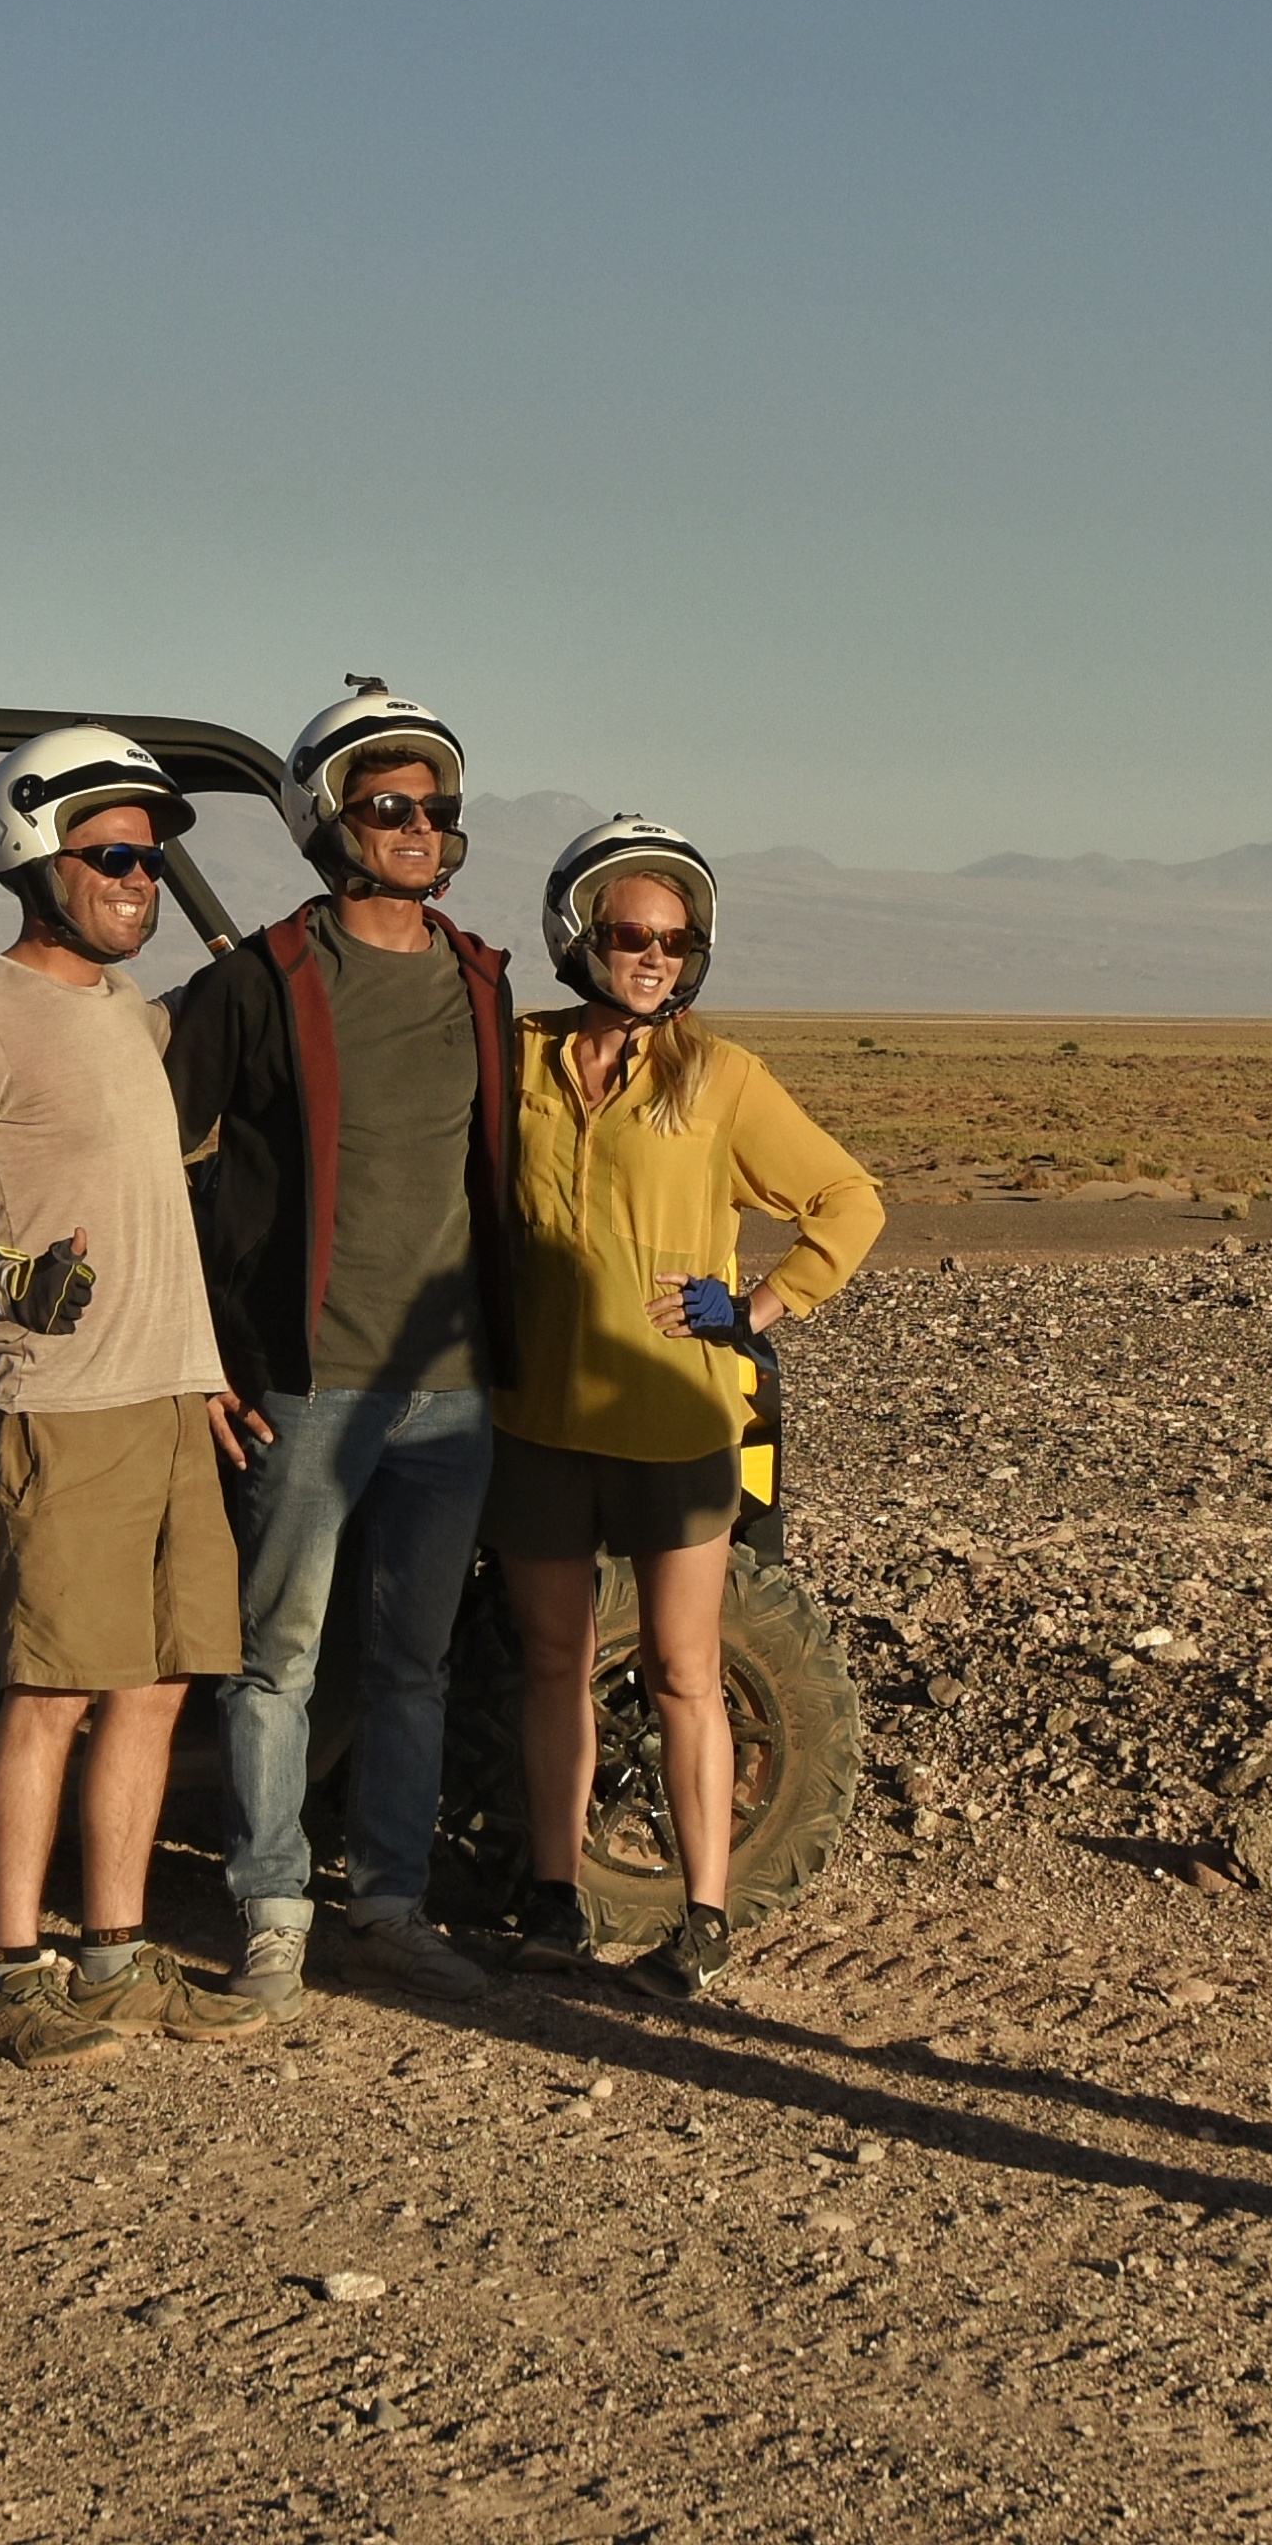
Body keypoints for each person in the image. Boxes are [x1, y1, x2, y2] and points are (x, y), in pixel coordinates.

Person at [0, 725, 272, 2075]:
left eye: (149, 862)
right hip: (55, 1404)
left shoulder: (135, 1019)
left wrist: (205, 1367)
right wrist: (3, 1279)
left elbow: (158, 1213)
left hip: (166, 1398)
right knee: (49, 1690)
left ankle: (115, 1955)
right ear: (35, 855)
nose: (138, 880)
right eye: (112, 855)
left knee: (156, 1686)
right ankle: (7, 1975)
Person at [170, 679, 523, 2013]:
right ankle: (269, 1911)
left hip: (450, 1394)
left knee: (411, 1664)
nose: (421, 825)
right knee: (277, 1659)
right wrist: (198, 1353)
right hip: (303, 1383)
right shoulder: (257, 984)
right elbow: (154, 1163)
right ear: (328, 819)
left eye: (437, 806)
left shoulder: (482, 982)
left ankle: (386, 1901)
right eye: (391, 805)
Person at [488, 818, 881, 2003]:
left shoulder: (717, 1078)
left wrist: (759, 1306)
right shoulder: (511, 1059)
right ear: (578, 934)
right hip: (536, 1419)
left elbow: (847, 1199)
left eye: (674, 937)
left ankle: (701, 1917)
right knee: (553, 1657)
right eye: (627, 933)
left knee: (681, 1667)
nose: (652, 954)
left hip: (676, 1423)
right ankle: (555, 1901)